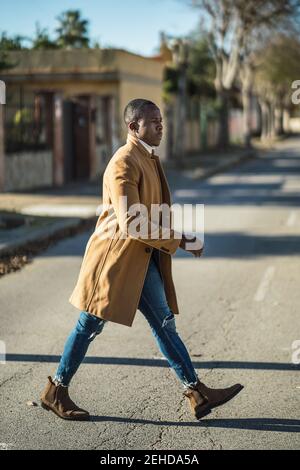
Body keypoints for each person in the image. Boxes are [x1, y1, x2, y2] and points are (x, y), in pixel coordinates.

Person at [40, 98, 243, 421]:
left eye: (161, 120)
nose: (161, 125)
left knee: (164, 324)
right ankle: (56, 391)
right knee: (88, 325)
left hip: (142, 258)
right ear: (133, 127)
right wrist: (178, 240)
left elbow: (151, 214)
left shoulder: (147, 158)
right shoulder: (124, 162)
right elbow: (132, 222)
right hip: (115, 262)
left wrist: (179, 238)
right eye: (153, 121)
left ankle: (197, 392)